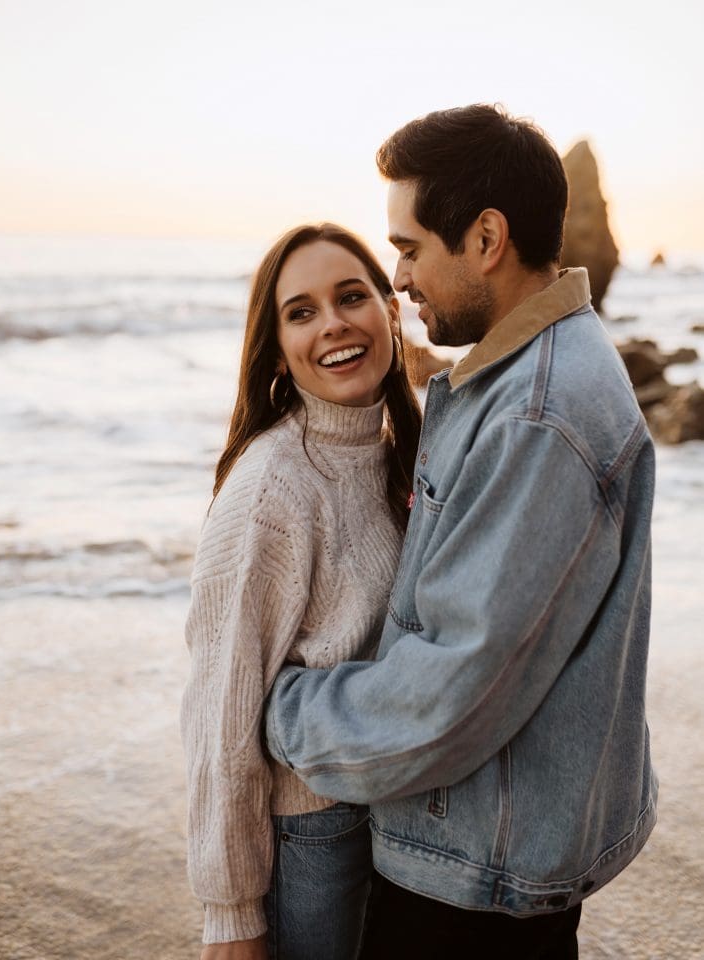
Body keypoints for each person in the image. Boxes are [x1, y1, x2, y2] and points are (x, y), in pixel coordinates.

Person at [265, 105, 658, 958]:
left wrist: (280, 709)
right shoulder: (528, 376)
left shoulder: (537, 417)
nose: (398, 277)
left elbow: (448, 698)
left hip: (471, 884)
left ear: (484, 239)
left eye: (408, 248)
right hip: (496, 854)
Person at [180, 222, 422, 959]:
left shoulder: (399, 450)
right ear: (278, 350)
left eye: (351, 297)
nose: (334, 324)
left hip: (389, 804)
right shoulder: (271, 488)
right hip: (313, 832)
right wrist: (231, 915)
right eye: (302, 312)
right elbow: (221, 706)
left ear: (390, 311)